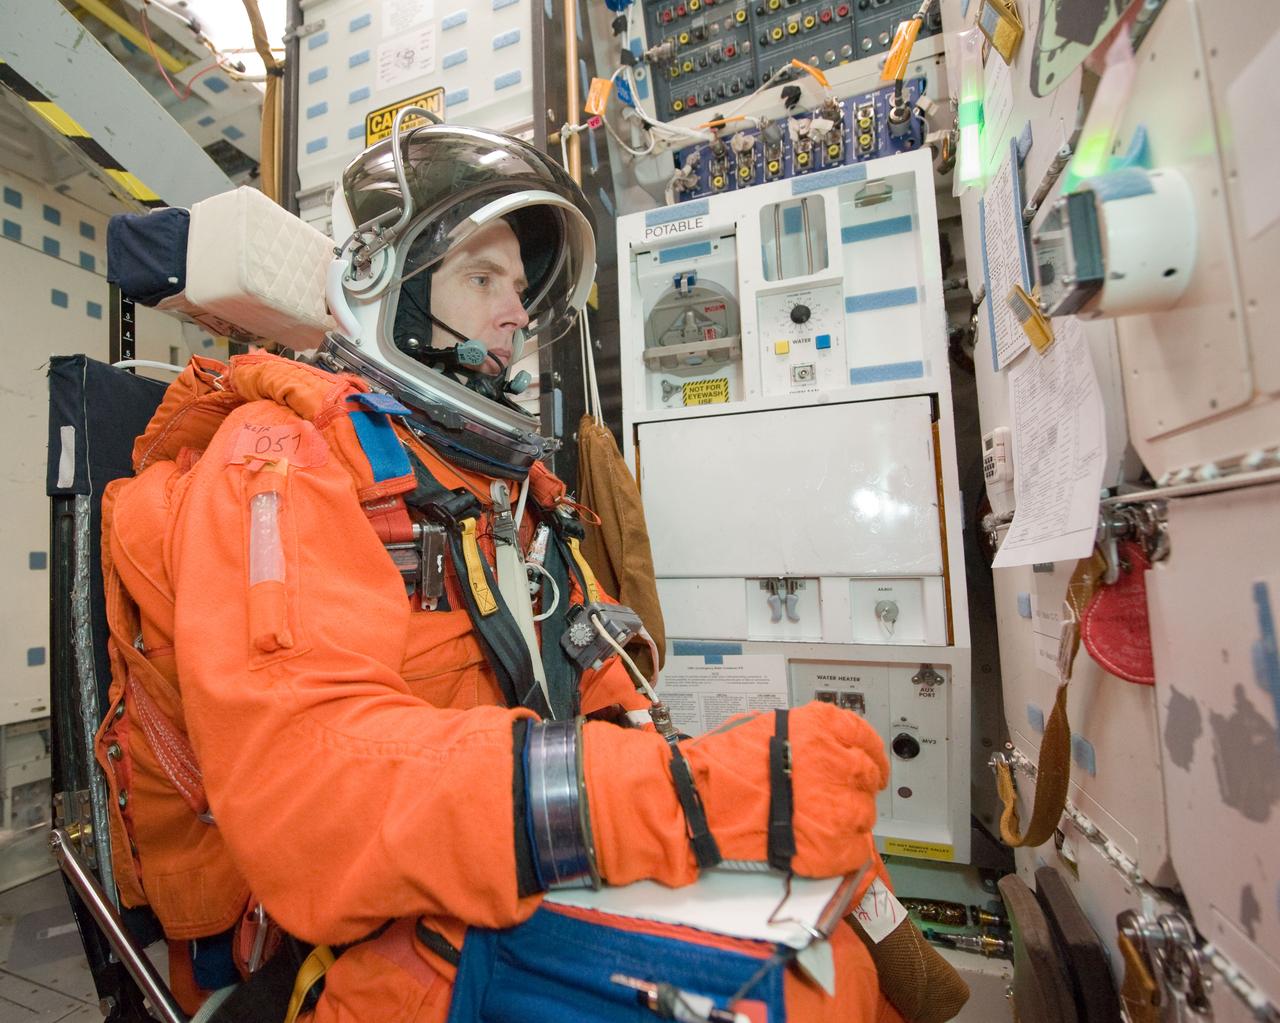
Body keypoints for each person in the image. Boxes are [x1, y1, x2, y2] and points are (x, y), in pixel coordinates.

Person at [96, 121, 914, 1023]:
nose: (516, 313)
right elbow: (316, 796)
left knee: (834, 921)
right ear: (388, 289)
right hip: (338, 946)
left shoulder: (503, 490)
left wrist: (733, 792)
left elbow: (608, 691)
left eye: (520, 289)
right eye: (481, 278)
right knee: (801, 1001)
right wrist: (674, 800)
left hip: (480, 872)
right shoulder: (280, 463)